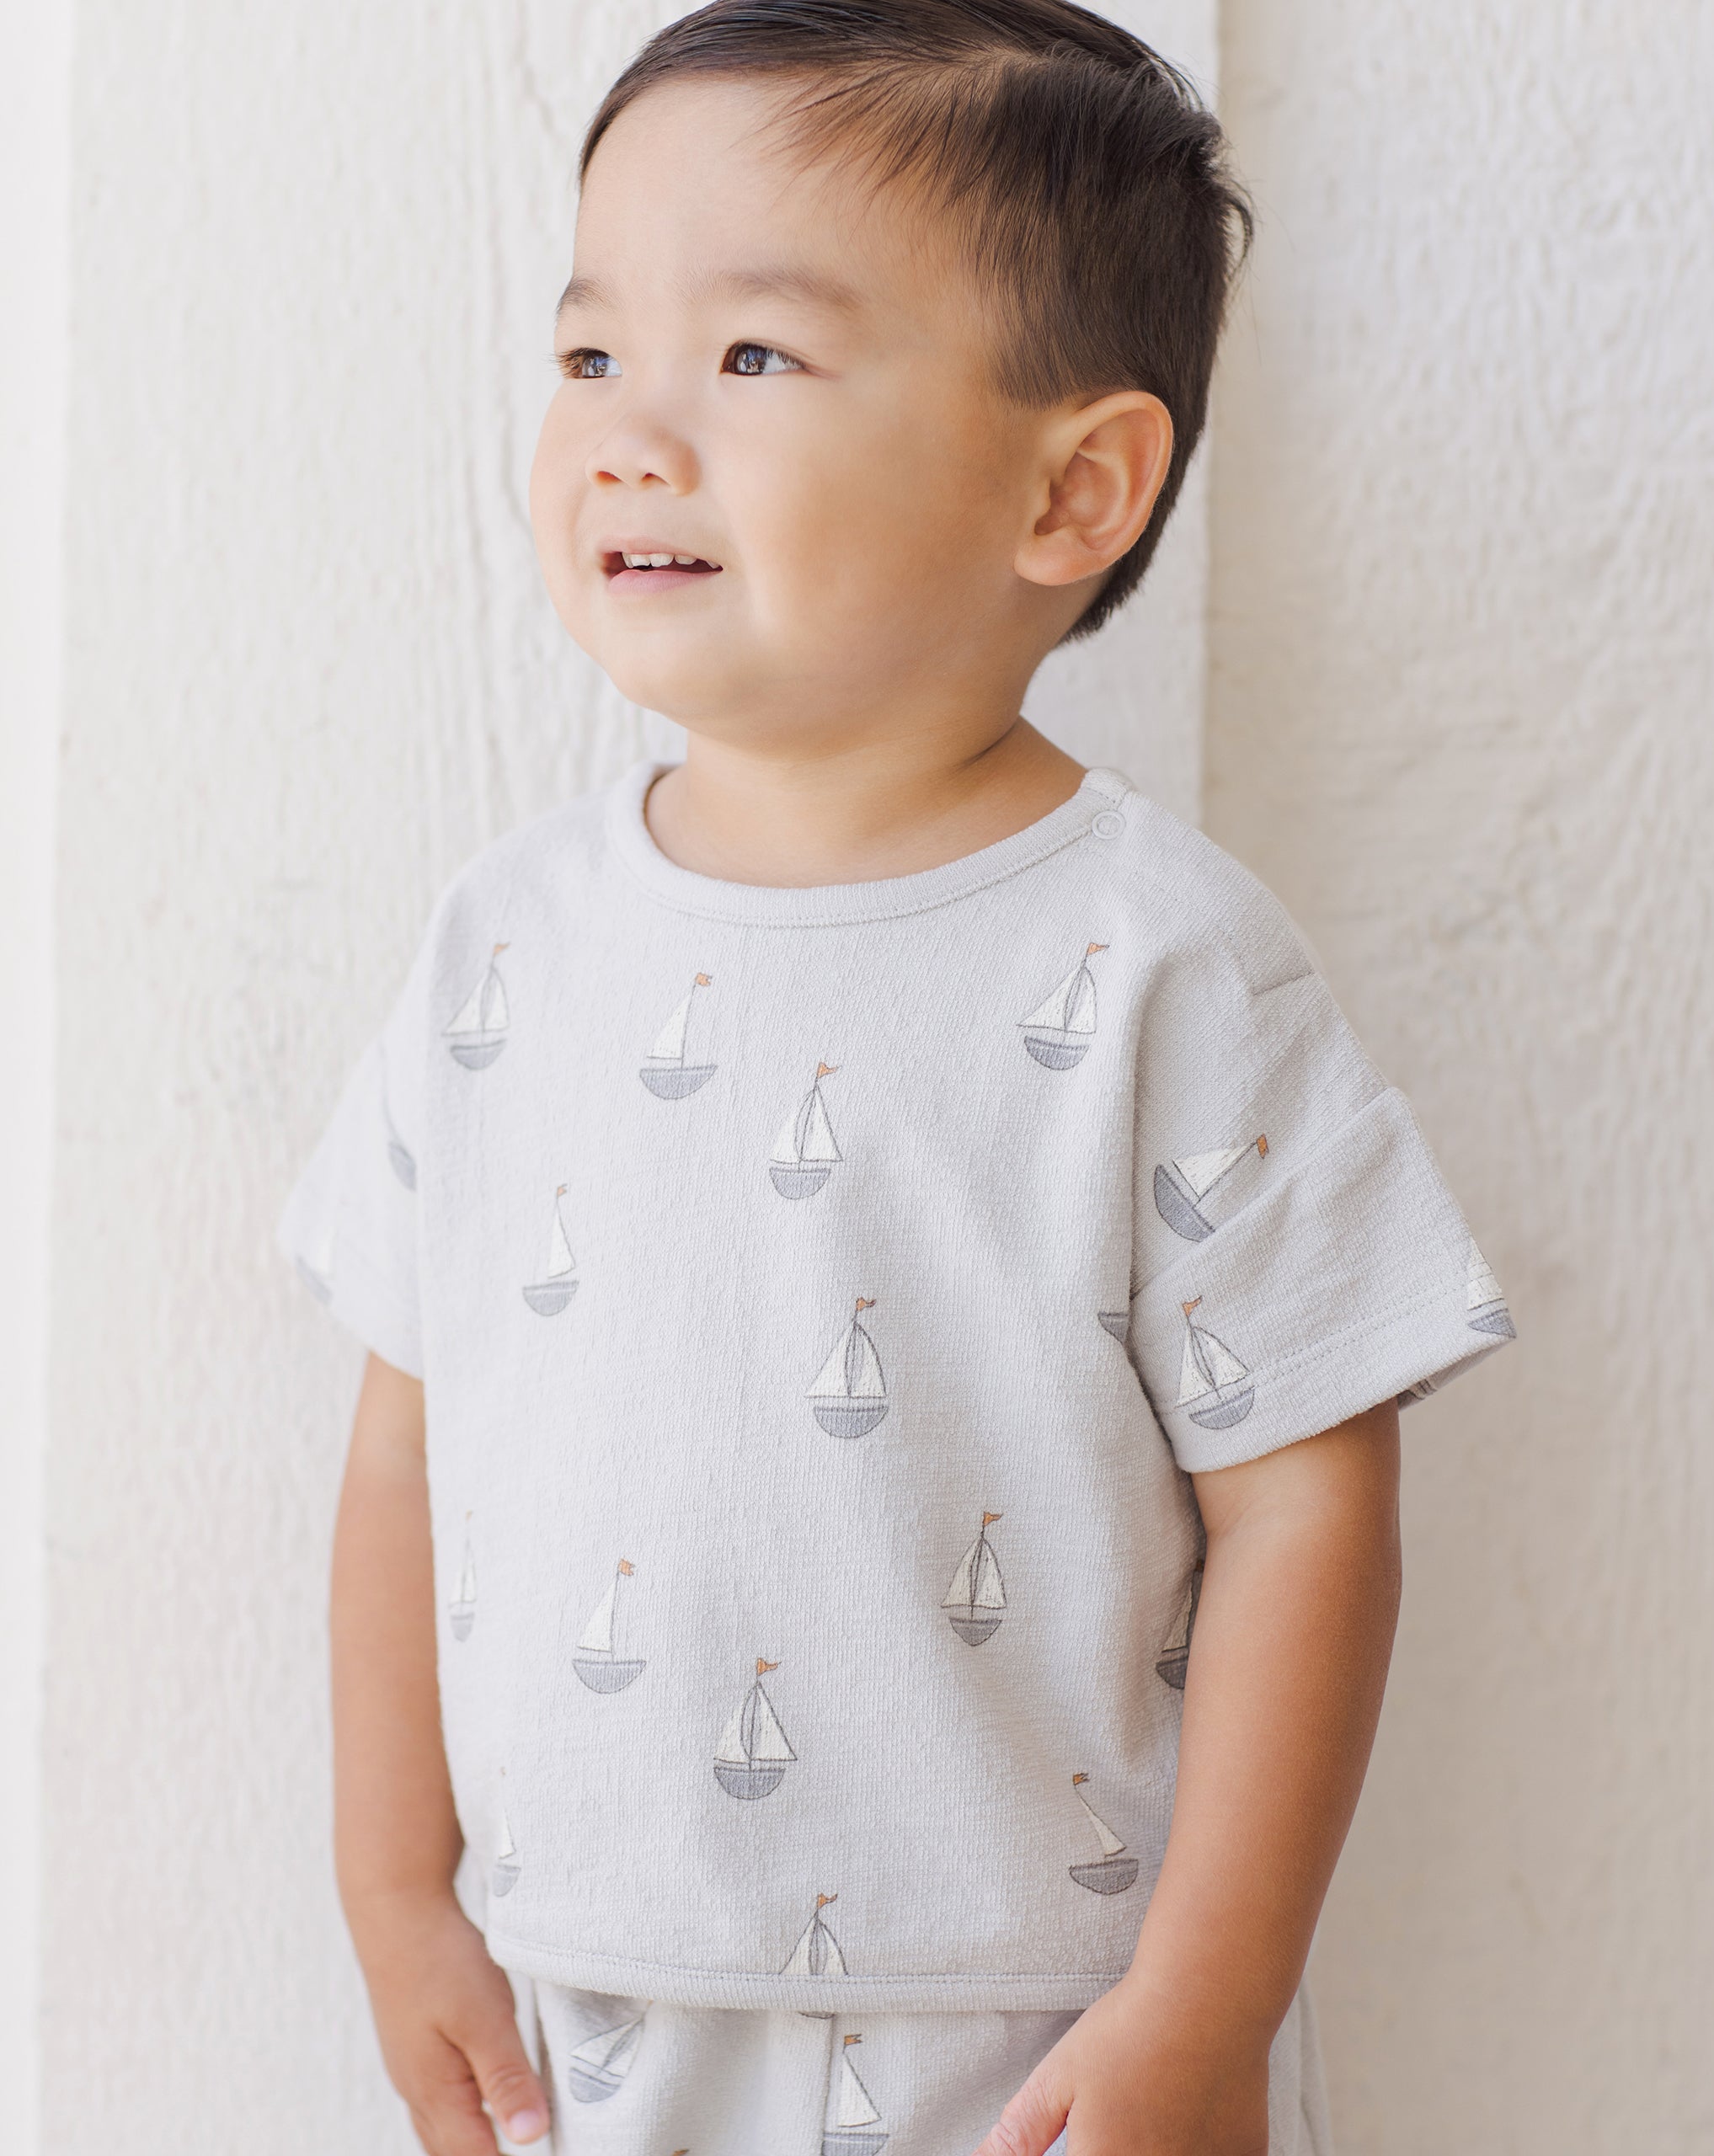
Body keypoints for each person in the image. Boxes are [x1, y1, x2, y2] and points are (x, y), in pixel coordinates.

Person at [280, 4, 1514, 2151]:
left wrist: (1204, 2003)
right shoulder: (503, 947)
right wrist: (398, 1893)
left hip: (1038, 2036)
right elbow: (405, 1449)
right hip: (586, 2015)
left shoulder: (1159, 964)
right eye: (591, 351)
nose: (630, 432)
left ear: (1071, 487)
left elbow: (1308, 1501)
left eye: (751, 355)